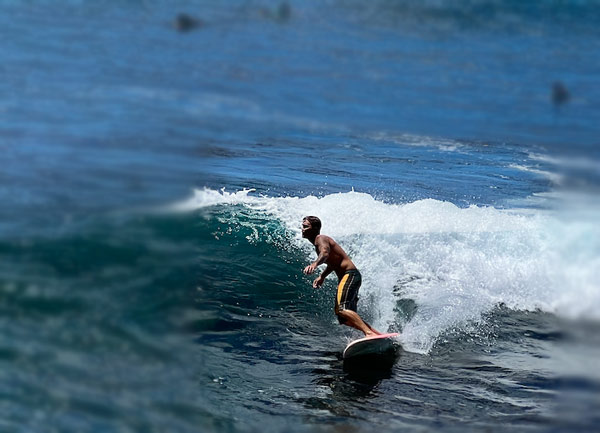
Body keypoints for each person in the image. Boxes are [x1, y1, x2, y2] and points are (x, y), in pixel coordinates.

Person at [301, 216, 381, 336]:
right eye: (302, 226)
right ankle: (376, 334)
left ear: (315, 228)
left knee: (342, 309)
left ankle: (368, 333)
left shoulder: (320, 238)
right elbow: (333, 263)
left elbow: (325, 253)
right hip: (351, 277)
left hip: (350, 275)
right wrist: (322, 276)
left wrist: (315, 264)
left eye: (306, 226)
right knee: (344, 318)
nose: (302, 229)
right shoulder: (317, 244)